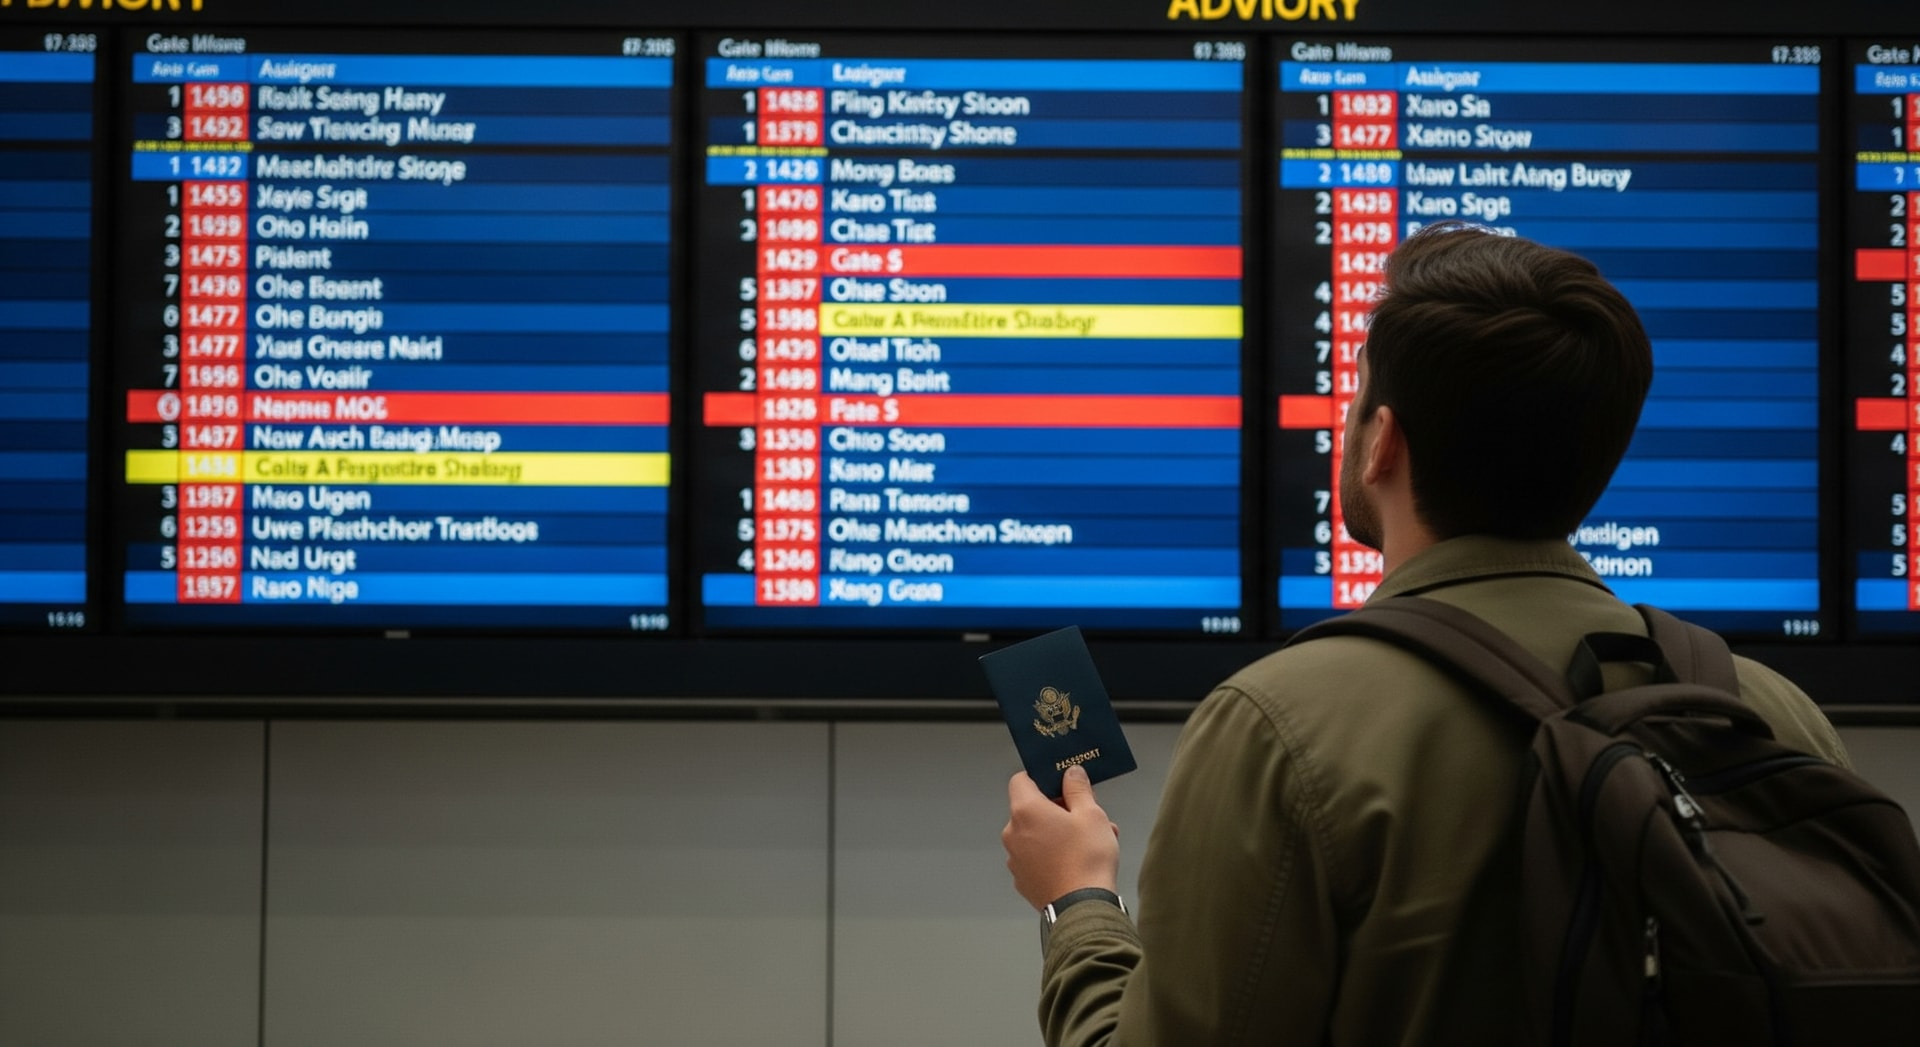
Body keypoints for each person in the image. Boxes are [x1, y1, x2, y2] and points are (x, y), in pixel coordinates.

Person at [1000, 221, 1850, 1047]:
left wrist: (1075, 901)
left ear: (1382, 442)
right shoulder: (1772, 714)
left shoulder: (1282, 726)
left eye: (1358, 392)